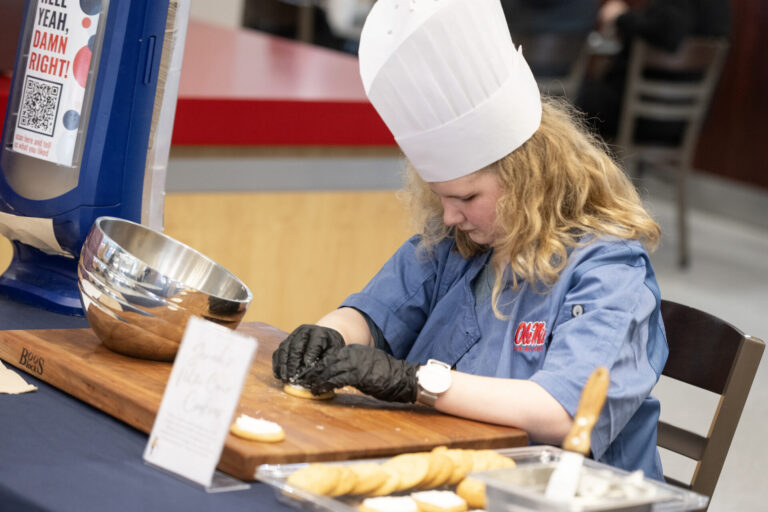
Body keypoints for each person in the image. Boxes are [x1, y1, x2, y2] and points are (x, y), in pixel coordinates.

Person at [272, 0, 668, 481]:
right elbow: (375, 313)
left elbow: (562, 412)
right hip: (458, 472)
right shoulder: (456, 244)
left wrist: (416, 382)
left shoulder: (607, 271)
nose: (449, 215)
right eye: (441, 197)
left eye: (466, 196)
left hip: (568, 492)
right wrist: (330, 334)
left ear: (528, 181)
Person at [577, 0, 731, 142]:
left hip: (644, 113)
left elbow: (668, 31)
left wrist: (620, 17)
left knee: (569, 96)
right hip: (686, 117)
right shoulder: (721, 7)